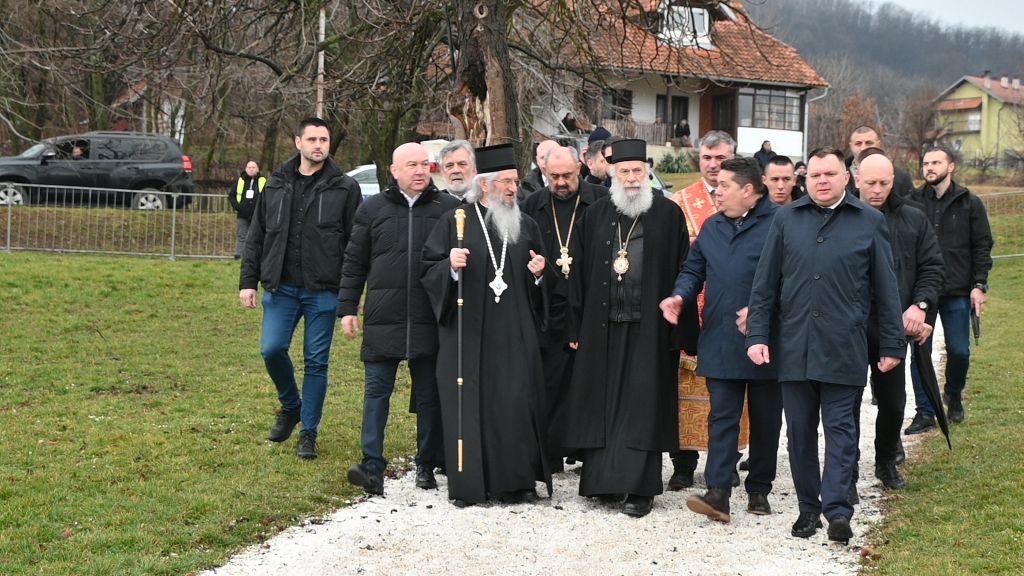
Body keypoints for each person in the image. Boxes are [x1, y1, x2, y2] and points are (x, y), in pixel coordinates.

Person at [745, 146, 905, 544]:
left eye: (830, 174)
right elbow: (765, 285)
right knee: (800, 433)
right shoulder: (786, 219)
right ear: (806, 178)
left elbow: (886, 290)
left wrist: (891, 344)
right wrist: (758, 335)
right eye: (815, 175)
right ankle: (808, 509)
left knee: (841, 431)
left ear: (846, 177)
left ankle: (837, 511)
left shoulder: (869, 221)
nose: (822, 181)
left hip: (844, 346)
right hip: (795, 346)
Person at [554, 138, 699, 518]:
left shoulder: (668, 214)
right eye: (624, 172)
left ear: (647, 172)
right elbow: (578, 276)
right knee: (601, 404)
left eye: (637, 171)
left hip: (649, 330)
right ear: (613, 174)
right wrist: (575, 327)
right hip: (601, 327)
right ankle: (603, 482)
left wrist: (680, 327)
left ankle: (640, 489)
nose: (632, 178)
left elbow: (684, 269)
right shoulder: (596, 214)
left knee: (643, 406)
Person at [421, 143, 552, 507]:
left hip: (515, 335)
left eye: (515, 181)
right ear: (485, 185)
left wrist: (540, 274)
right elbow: (428, 270)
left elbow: (544, 284)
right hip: (469, 335)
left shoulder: (526, 224)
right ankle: (471, 486)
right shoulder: (455, 222)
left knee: (517, 403)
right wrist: (449, 266)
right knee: (470, 406)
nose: (513, 188)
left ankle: (518, 483)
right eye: (506, 182)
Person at [661, 157, 782, 524]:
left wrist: (764, 313)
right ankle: (718, 493)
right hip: (720, 337)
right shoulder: (712, 227)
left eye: (724, 186)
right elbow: (693, 269)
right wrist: (679, 296)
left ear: (748, 190)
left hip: (768, 341)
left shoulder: (781, 224)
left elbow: (794, 278)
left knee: (765, 419)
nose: (716, 192)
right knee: (723, 417)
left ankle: (759, 487)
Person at [339, 143, 460, 495]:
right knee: (377, 393)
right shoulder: (372, 209)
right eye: (412, 165)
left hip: (429, 317)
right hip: (383, 317)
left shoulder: (447, 209)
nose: (420, 171)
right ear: (394, 170)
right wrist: (347, 307)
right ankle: (372, 467)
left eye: (425, 164)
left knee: (428, 396)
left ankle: (426, 464)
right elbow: (354, 262)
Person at [239, 117, 362, 459]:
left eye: (324, 139)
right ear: (298, 142)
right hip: (282, 288)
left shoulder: (344, 188)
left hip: (324, 291)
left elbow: (355, 244)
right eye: (312, 139)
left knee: (316, 362)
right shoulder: (276, 184)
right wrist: (248, 281)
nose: (319, 145)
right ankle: (291, 405)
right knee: (271, 349)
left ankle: (308, 432)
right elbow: (257, 235)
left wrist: (350, 294)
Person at [853, 149, 944, 491]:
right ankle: (846, 469)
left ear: (894, 181)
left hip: (891, 323)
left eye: (884, 183)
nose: (877, 190)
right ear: (857, 179)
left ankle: (886, 461)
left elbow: (932, 267)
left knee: (893, 401)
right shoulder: (840, 218)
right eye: (871, 183)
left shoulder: (913, 219)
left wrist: (920, 305)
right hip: (849, 324)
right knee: (846, 402)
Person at [519, 146, 609, 471]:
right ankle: (551, 453)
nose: (560, 182)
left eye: (567, 176)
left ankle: (588, 452)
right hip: (548, 307)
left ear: (579, 169)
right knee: (550, 384)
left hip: (590, 305)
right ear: (544, 172)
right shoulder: (532, 205)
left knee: (590, 384)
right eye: (553, 176)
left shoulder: (600, 200)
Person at [906, 145, 993, 432]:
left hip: (957, 290)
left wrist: (979, 284)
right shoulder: (912, 203)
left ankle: (953, 393)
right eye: (926, 163)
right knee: (920, 354)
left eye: (936, 162)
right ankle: (924, 412)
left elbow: (982, 246)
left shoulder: (970, 203)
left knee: (959, 351)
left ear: (951, 166)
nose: (929, 167)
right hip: (922, 292)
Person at [668, 129, 736, 491]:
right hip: (690, 312)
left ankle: (725, 463)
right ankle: (683, 464)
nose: (713, 165)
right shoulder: (680, 202)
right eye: (707, 158)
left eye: (721, 158)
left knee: (728, 392)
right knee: (683, 393)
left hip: (728, 312)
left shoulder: (743, 199)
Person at [845, 126, 914, 198]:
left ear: (878, 144)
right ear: (851, 146)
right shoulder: (840, 175)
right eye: (858, 144)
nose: (863, 148)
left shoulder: (900, 177)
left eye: (869, 143)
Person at [228, 161, 267, 259]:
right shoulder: (240, 181)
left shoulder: (263, 181)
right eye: (249, 167)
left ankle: (256, 256)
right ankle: (239, 255)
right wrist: (238, 207)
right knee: (242, 235)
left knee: (258, 236)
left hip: (258, 215)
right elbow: (231, 196)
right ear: (246, 169)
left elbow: (269, 196)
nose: (251, 169)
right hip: (243, 214)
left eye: (253, 167)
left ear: (257, 169)